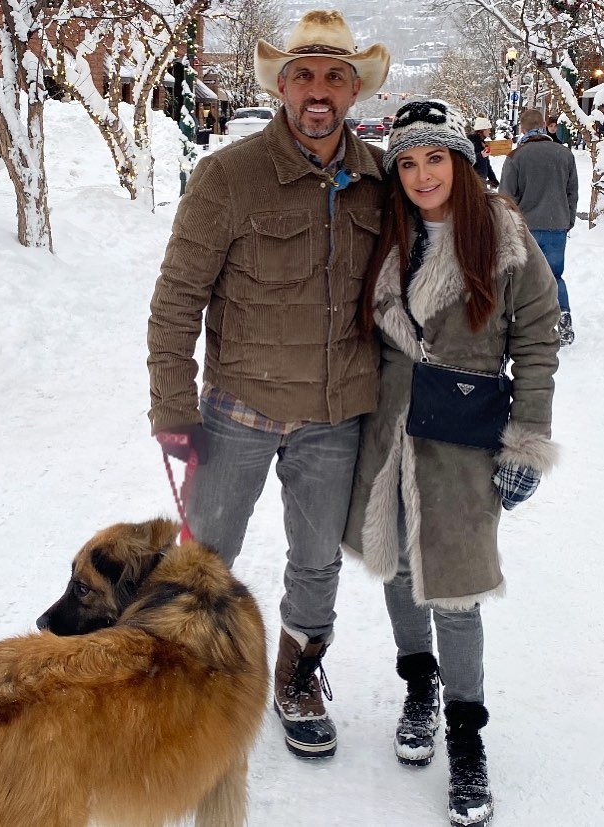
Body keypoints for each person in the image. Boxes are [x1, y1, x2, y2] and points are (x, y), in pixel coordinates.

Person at [147, 10, 390, 759]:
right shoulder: (229, 175)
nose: (319, 91)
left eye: (335, 76)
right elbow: (177, 297)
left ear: (354, 90)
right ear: (282, 85)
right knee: (206, 553)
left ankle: (297, 674)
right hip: (236, 409)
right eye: (304, 75)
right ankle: (185, 679)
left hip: (333, 413)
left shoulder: (381, 179)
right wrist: (172, 406)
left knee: (315, 558)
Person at [344, 100, 560, 827]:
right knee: (399, 567)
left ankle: (467, 738)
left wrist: (526, 436)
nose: (421, 174)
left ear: (460, 162)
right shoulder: (385, 234)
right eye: (406, 162)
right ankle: (418, 684)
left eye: (434, 157)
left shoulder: (502, 238)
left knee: (456, 590)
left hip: (463, 440)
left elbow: (535, 338)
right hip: (385, 430)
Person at [499, 108, 578, 346]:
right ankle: (563, 317)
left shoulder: (516, 157)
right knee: (555, 276)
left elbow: (505, 197)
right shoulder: (564, 154)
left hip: (526, 228)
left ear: (522, 128)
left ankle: (527, 325)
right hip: (557, 226)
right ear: (544, 125)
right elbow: (572, 192)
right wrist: (568, 219)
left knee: (524, 278)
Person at [468, 116, 499, 189]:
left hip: (481, 183)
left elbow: (486, 164)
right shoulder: (470, 142)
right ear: (482, 130)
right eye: (488, 130)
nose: (490, 132)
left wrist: (493, 179)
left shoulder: (482, 143)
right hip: (471, 184)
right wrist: (480, 155)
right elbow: (466, 161)